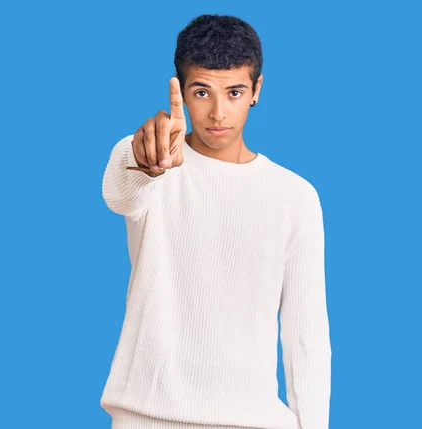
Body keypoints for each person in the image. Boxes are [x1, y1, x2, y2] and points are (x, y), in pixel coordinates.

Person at [99, 14, 331, 429]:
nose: (218, 112)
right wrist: (143, 161)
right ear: (181, 91)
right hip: (146, 417)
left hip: (255, 421)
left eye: (235, 92)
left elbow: (306, 338)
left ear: (257, 90)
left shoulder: (295, 197)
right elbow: (122, 191)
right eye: (202, 91)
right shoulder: (156, 163)